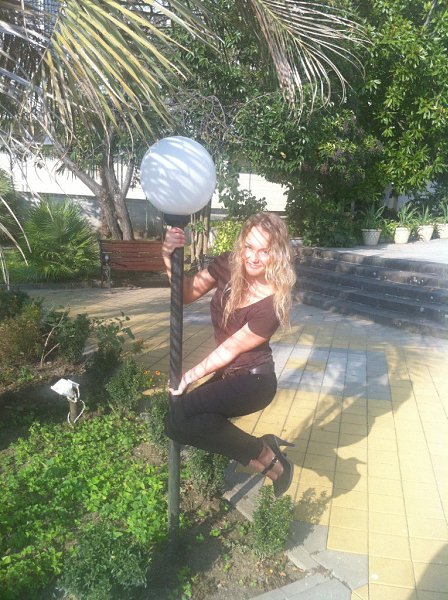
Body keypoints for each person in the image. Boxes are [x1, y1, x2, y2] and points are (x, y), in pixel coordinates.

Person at [162, 212, 297, 497]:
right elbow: (185, 294)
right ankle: (271, 461)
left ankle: (265, 452)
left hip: (254, 382)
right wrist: (167, 256)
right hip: (228, 376)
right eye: (249, 247)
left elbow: (230, 348)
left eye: (264, 251)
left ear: (278, 254)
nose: (253, 257)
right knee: (181, 422)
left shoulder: (273, 304)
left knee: (180, 416)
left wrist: (188, 377)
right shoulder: (227, 264)